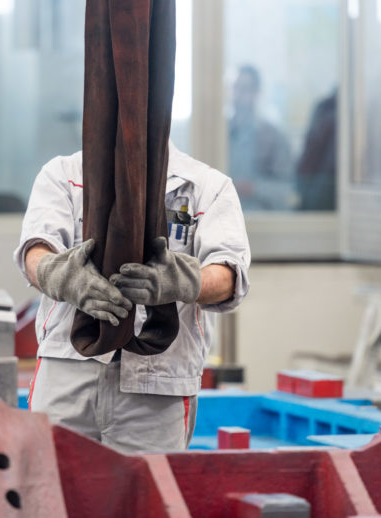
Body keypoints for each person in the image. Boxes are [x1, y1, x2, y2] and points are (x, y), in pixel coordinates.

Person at [14, 142, 250, 453]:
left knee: (146, 497)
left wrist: (183, 281)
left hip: (158, 383)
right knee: (54, 493)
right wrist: (56, 274)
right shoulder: (63, 174)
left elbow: (230, 275)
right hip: (67, 372)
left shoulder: (206, 187)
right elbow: (36, 248)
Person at [229, 65, 294, 211]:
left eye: (245, 89)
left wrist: (253, 188)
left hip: (261, 221)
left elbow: (287, 189)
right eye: (235, 88)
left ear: (257, 93)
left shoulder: (275, 137)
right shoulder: (220, 135)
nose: (238, 95)